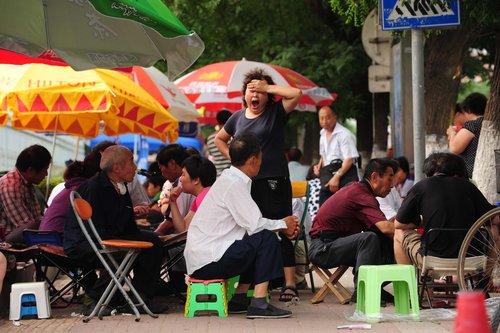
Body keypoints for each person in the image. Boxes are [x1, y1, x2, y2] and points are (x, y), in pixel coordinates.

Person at [185, 134, 299, 319]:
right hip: (207, 261)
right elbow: (256, 225)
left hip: (204, 258)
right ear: (254, 159)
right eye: (261, 158)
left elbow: (248, 225)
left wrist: (282, 226)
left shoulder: (231, 179)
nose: (261, 163)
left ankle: (239, 298)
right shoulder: (233, 184)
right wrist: (283, 224)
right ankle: (259, 303)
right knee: (265, 237)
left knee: (254, 239)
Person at [215, 68, 302, 302]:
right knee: (252, 231)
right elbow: (219, 139)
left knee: (281, 228)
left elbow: (295, 93)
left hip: (274, 181)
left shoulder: (275, 112)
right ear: (244, 95)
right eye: (251, 90)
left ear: (267, 96)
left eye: (260, 91)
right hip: (247, 184)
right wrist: (235, 160)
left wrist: (267, 87)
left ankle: (290, 283)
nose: (255, 95)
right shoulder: (237, 117)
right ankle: (252, 284)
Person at [63, 145, 165, 314]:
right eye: (131, 162)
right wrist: (125, 241)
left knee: (153, 241)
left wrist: (134, 218)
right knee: (123, 251)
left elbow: (124, 224)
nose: (135, 167)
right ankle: (94, 297)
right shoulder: (95, 189)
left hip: (109, 236)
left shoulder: (120, 185)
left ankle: (139, 297)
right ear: (117, 168)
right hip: (84, 242)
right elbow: (95, 230)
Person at [308, 158, 398, 302]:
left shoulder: (361, 192)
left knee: (382, 239)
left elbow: (383, 228)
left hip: (335, 243)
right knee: (369, 239)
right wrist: (412, 233)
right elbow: (387, 228)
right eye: (390, 178)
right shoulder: (360, 194)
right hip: (322, 248)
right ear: (374, 177)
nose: (392, 185)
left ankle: (375, 286)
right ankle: (362, 291)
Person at [394, 152, 495, 269]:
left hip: (432, 259)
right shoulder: (468, 186)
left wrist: (422, 222)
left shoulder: (421, 186)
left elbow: (399, 223)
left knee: (398, 233)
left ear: (427, 172)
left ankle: (414, 285)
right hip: (470, 258)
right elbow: (494, 219)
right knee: (494, 231)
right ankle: (485, 282)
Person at [0, 145, 52, 243]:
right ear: (30, 170)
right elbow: (27, 227)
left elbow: (37, 218)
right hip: (7, 248)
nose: (46, 174)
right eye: (45, 169)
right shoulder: (11, 186)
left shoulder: (27, 184)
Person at [39, 155, 100, 233]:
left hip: (43, 237)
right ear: (97, 175)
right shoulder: (83, 190)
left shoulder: (68, 188)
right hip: (57, 240)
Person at [313, 105, 359, 207]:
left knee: (344, 209)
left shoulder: (344, 134)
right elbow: (324, 155)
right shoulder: (322, 134)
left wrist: (337, 177)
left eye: (327, 117)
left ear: (334, 117)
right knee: (324, 209)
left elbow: (349, 159)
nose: (324, 121)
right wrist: (318, 166)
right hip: (328, 175)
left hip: (344, 175)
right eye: (321, 118)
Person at [169, 155, 216, 232]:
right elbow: (183, 228)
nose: (180, 179)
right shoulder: (202, 196)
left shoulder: (205, 197)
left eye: (183, 174)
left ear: (196, 180)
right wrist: (173, 202)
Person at [154, 144, 195, 234]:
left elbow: (171, 222)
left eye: (161, 168)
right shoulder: (192, 178)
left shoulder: (182, 182)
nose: (162, 173)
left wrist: (153, 236)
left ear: (172, 164)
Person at [447, 92, 488, 178]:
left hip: (470, 173)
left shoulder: (472, 125)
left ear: (468, 109)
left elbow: (454, 148)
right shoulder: (486, 124)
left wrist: (452, 132)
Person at [206, 109, 233, 177]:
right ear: (231, 120)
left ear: (218, 122)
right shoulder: (233, 137)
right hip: (232, 175)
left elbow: (212, 155)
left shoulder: (210, 138)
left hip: (217, 176)